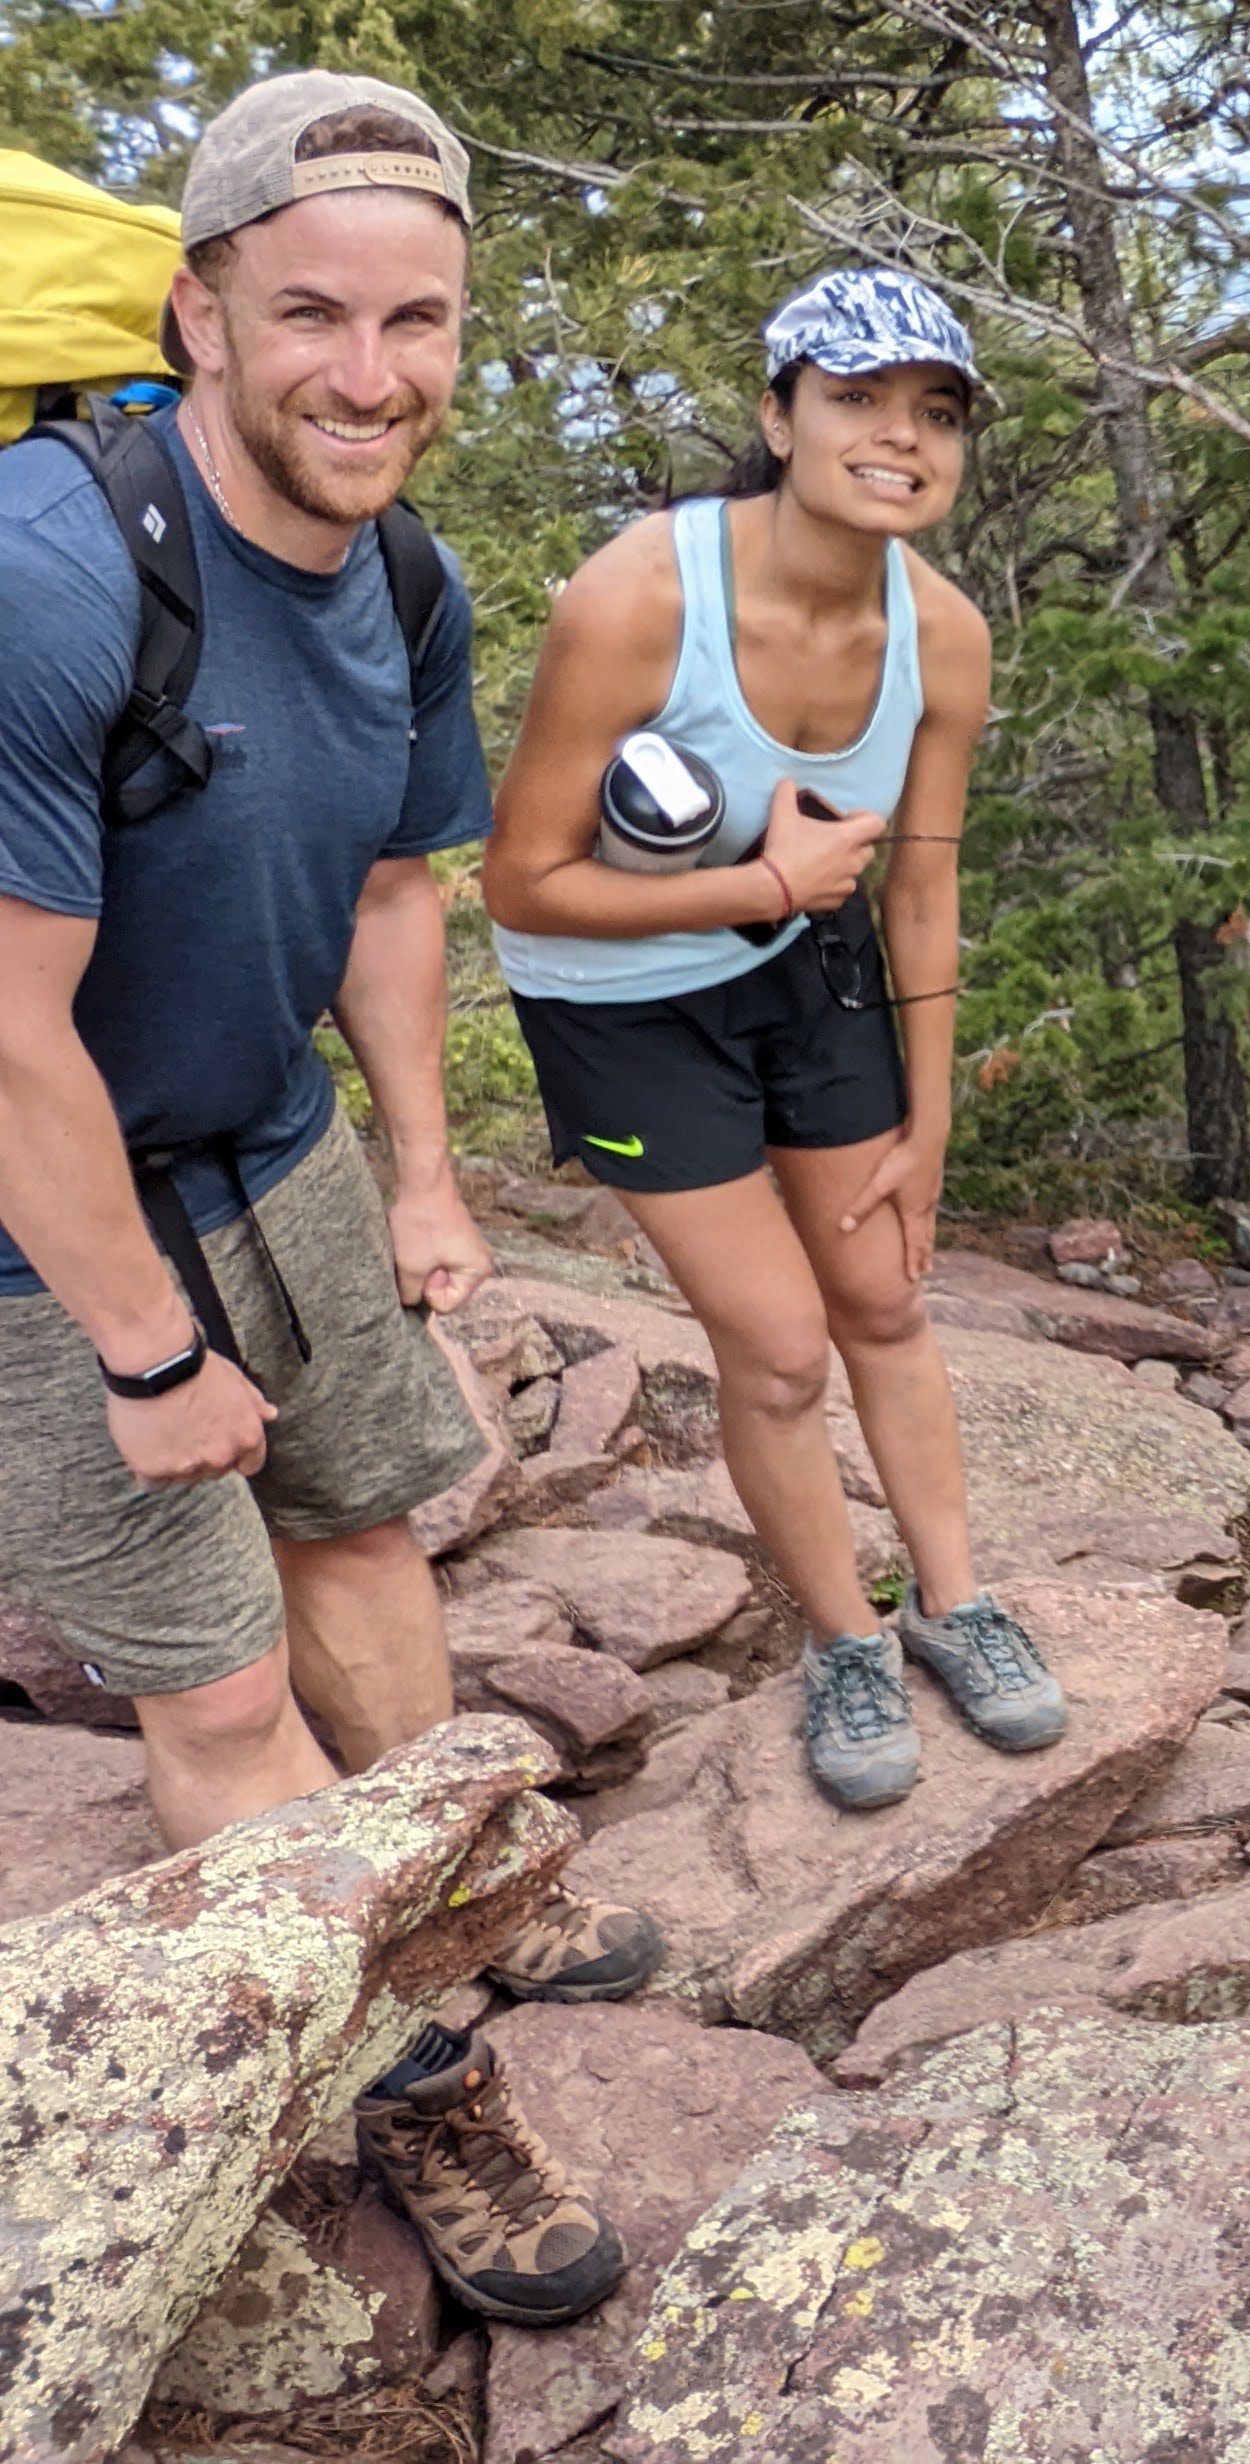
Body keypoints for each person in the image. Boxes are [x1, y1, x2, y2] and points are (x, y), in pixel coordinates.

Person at [0, 72, 649, 2327]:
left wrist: (420, 1165)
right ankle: (413, 2078)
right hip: (29, 1213)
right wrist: (147, 1349)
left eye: (417, 320)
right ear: (197, 315)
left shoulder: (404, 569)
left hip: (260, 1138)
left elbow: (389, 883)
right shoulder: (48, 577)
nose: (368, 374)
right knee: (214, 1691)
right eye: (308, 315)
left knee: (367, 1517)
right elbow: (7, 1038)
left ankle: (449, 1872)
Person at [484, 268, 1059, 1813]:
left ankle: (957, 1605)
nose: (900, 437)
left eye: (934, 413)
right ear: (777, 414)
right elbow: (519, 877)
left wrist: (931, 1128)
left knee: (881, 1293)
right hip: (620, 1002)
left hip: (813, 964)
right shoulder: (637, 598)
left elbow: (923, 884)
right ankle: (845, 1637)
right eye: (858, 399)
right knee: (784, 1344)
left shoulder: (940, 631)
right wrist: (763, 881)